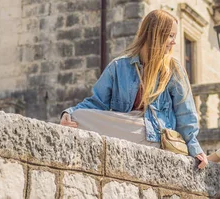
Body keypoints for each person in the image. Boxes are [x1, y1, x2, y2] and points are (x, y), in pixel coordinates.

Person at [59, 9, 208, 165]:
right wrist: (68, 113)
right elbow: (97, 102)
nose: (173, 42)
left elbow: (185, 112)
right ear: (155, 34)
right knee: (78, 117)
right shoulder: (118, 66)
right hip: (124, 125)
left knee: (140, 126)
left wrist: (194, 148)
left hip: (154, 133)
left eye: (175, 36)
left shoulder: (172, 68)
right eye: (170, 35)